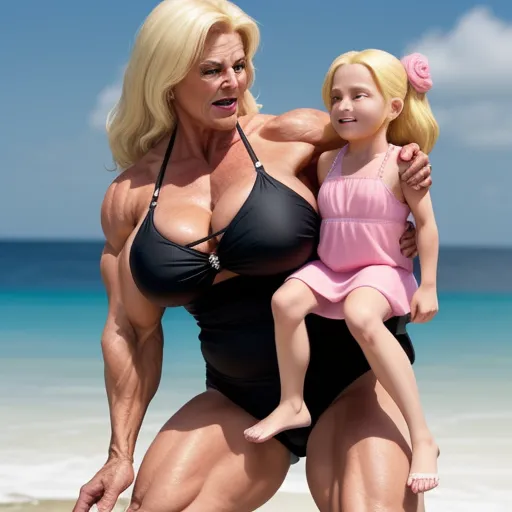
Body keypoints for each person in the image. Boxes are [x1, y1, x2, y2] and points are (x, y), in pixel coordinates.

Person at [72, 1, 433, 511]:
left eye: (238, 66)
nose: (232, 82)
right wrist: (118, 454)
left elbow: (383, 159)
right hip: (239, 399)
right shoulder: (130, 196)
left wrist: (409, 211)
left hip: (352, 383)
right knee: (151, 507)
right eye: (212, 70)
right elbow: (130, 331)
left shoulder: (295, 137)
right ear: (168, 78)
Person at [244, 49, 440, 495]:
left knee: (362, 314)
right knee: (285, 300)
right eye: (336, 97)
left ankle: (422, 434)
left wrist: (427, 284)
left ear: (393, 106)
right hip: (332, 267)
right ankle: (293, 402)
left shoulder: (402, 163)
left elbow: (426, 226)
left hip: (381, 268)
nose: (344, 107)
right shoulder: (326, 162)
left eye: (359, 95)